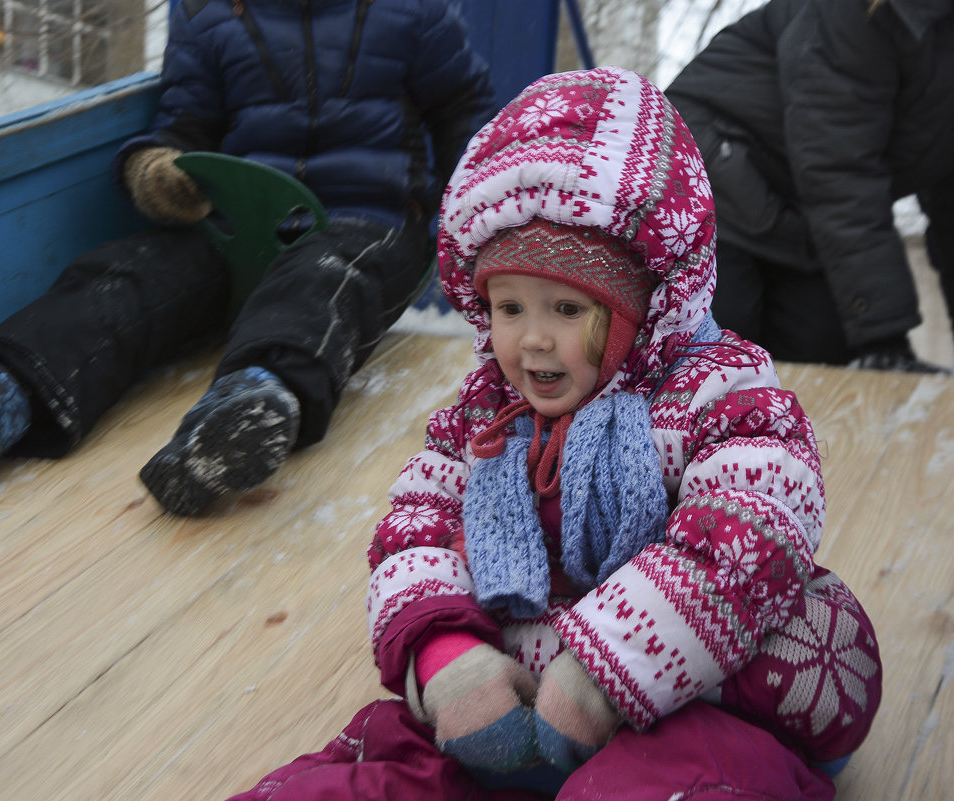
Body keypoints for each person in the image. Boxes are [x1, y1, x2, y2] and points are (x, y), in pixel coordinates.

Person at [220, 68, 882, 801]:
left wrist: (605, 669)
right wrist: (448, 658)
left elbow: (752, 523)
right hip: (518, 682)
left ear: (640, 304)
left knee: (688, 766)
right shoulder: (487, 415)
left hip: (681, 684)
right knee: (384, 769)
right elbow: (416, 531)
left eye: (567, 310)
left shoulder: (715, 393)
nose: (531, 342)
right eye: (508, 307)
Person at [0, 0, 496, 514]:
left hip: (371, 217)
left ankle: (252, 401)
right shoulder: (208, 13)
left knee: (329, 276)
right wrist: (155, 169)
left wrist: (472, 215)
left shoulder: (414, 11)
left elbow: (463, 113)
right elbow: (182, 123)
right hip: (238, 222)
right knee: (130, 273)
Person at [665, 0, 954, 371]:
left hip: (796, 201)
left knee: (823, 351)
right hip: (705, 172)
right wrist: (884, 339)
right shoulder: (857, 13)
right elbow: (840, 166)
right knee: (717, 357)